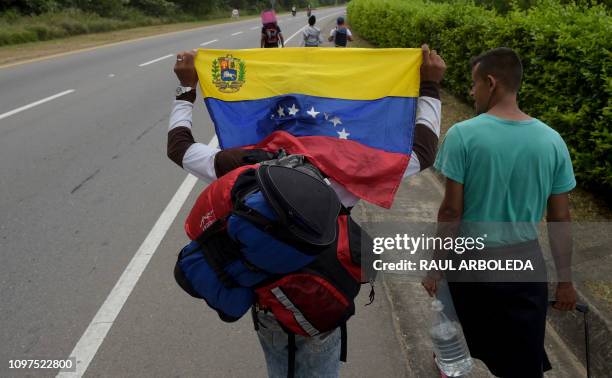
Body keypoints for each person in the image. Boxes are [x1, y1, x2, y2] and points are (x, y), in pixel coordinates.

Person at [169, 45, 446, 377]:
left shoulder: (243, 161)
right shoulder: (346, 163)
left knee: (278, 367)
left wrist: (186, 88)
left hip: (268, 301)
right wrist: (429, 85)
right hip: (319, 301)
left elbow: (179, 147)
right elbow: (423, 152)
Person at [423, 47, 578, 377]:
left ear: (491, 82)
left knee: (455, 355)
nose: (470, 91)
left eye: (473, 83)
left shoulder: (463, 135)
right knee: (520, 364)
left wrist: (435, 265)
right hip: (525, 267)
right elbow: (560, 220)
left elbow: (451, 211)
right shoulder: (552, 141)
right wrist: (565, 281)